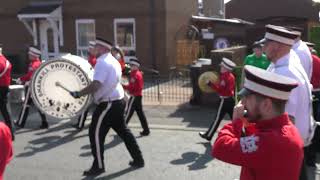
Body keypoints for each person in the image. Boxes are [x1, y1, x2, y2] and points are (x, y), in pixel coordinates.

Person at [213, 65, 303, 180]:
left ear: (266, 105)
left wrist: (235, 122)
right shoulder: (287, 129)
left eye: (247, 98)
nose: (243, 102)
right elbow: (256, 143)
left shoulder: (270, 140)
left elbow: (220, 148)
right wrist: (247, 121)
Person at [70, 37, 144, 176]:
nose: (93, 48)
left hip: (108, 104)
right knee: (123, 131)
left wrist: (79, 93)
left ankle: (98, 166)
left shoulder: (102, 62)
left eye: (96, 46)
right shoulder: (113, 60)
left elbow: (96, 84)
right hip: (117, 101)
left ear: (103, 48)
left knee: (95, 134)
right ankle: (138, 159)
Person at [262, 24, 314, 180]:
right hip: (296, 144)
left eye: (266, 44)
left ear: (276, 46)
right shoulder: (289, 63)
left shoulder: (284, 72)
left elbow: (286, 119)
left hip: (287, 147)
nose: (263, 48)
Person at [199, 57, 236, 141]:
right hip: (230, 100)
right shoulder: (230, 76)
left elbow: (221, 90)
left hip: (224, 100)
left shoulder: (225, 77)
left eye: (222, 67)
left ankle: (208, 135)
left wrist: (210, 84)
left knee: (217, 119)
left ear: (226, 68)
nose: (221, 68)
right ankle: (242, 135)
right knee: (235, 119)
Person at [15, 46, 48, 129]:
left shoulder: (34, 65)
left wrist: (21, 79)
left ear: (34, 56)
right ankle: (45, 123)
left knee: (26, 105)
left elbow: (30, 75)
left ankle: (20, 123)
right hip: (35, 87)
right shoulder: (37, 63)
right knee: (38, 105)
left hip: (31, 88)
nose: (29, 56)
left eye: (30, 55)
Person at [72, 41, 97, 130]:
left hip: (90, 84)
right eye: (89, 48)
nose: (89, 50)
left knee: (86, 105)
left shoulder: (93, 60)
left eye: (91, 49)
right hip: (90, 85)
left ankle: (81, 124)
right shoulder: (91, 58)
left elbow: (91, 73)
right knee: (91, 106)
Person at [123, 57, 150, 136]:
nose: (131, 66)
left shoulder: (135, 75)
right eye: (130, 65)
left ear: (136, 66)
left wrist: (126, 88)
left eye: (132, 65)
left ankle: (123, 129)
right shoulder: (135, 73)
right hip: (137, 95)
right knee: (140, 114)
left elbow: (135, 86)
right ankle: (146, 130)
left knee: (128, 112)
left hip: (134, 96)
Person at [304, 42, 320, 167]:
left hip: (308, 93)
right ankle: (312, 156)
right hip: (317, 93)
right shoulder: (317, 60)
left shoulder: (301, 61)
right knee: (316, 123)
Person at [0, 44, 14, 140]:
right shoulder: (5, 60)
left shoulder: (0, 62)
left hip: (0, 88)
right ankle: (11, 133)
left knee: (5, 111)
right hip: (4, 87)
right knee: (6, 111)